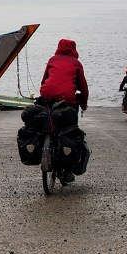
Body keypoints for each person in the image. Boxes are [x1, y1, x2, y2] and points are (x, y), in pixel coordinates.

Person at [39, 39, 89, 183]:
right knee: (70, 130)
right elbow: (83, 88)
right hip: (67, 99)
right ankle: (67, 170)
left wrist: (45, 94)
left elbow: (44, 81)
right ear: (74, 49)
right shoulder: (76, 63)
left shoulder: (52, 59)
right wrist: (83, 104)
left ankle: (45, 144)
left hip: (47, 95)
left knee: (48, 122)